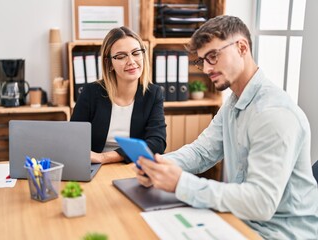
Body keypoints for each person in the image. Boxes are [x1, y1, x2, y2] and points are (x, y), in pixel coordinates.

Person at [135, 15, 318, 239]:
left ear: (242, 47)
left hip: (278, 233)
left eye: (213, 56)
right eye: (201, 60)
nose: (206, 68)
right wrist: (161, 166)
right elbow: (202, 152)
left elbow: (261, 203)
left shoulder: (274, 114)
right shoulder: (234, 103)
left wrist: (181, 183)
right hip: (240, 221)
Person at [71, 26, 166, 164]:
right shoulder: (91, 92)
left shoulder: (153, 94)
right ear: (109, 63)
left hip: (132, 165)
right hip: (95, 168)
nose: (131, 61)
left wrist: (104, 157)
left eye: (136, 53)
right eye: (121, 56)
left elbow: (157, 143)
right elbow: (73, 139)